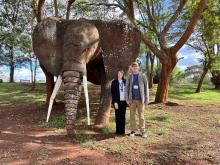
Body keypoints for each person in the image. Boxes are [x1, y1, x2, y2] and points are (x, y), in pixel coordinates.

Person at [125, 61, 149, 138]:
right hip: (132, 100)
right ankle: (133, 130)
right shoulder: (129, 76)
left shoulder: (143, 76)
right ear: (132, 68)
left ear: (138, 67)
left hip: (141, 100)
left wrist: (146, 99)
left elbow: (146, 88)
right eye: (133, 67)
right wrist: (127, 99)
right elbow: (126, 88)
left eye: (136, 66)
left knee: (141, 116)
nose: (135, 68)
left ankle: (143, 131)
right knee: (132, 116)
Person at [111, 70, 127, 135]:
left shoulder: (125, 82)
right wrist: (115, 102)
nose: (119, 75)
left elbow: (127, 91)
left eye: (121, 74)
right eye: (118, 73)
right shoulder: (114, 82)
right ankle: (118, 131)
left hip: (124, 102)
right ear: (117, 74)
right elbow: (113, 93)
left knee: (123, 116)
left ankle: (122, 131)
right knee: (117, 116)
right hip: (117, 102)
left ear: (123, 75)